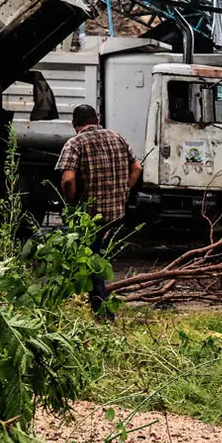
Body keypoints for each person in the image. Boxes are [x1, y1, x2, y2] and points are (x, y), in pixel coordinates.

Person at [55, 104, 141, 316]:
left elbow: (67, 180)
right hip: (115, 213)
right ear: (97, 119)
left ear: (75, 125)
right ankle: (87, 303)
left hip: (90, 213)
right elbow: (137, 167)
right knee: (95, 256)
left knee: (89, 260)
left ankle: (103, 311)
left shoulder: (75, 143)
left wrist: (72, 203)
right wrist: (124, 190)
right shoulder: (118, 137)